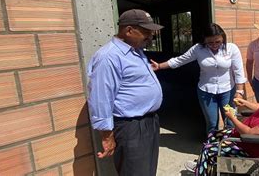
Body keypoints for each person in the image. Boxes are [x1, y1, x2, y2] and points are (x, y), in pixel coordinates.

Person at [87, 9, 164, 175]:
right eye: (146, 32)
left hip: (149, 122)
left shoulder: (136, 51)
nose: (151, 37)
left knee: (148, 171)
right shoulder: (108, 57)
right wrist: (107, 136)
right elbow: (101, 98)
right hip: (131, 127)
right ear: (129, 30)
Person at [151, 23, 247, 134]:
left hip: (228, 91)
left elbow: (238, 71)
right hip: (206, 91)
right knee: (211, 123)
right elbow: (180, 60)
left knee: (230, 121)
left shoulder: (231, 48)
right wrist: (159, 66)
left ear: (223, 38)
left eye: (218, 41)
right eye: (210, 42)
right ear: (204, 40)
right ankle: (212, 148)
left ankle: (230, 147)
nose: (214, 45)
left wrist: (239, 92)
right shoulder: (198, 49)